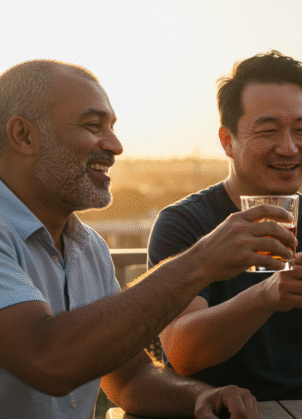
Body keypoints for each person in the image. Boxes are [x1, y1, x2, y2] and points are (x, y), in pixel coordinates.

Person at [0, 60, 273, 418]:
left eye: (112, 127)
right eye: (93, 125)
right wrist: (200, 261)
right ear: (23, 135)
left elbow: (130, 377)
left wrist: (198, 396)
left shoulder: (89, 247)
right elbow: (46, 359)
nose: (115, 146)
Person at [148, 51, 302, 401]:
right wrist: (266, 296)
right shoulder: (186, 223)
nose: (288, 147)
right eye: (268, 130)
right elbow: (182, 353)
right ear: (227, 141)